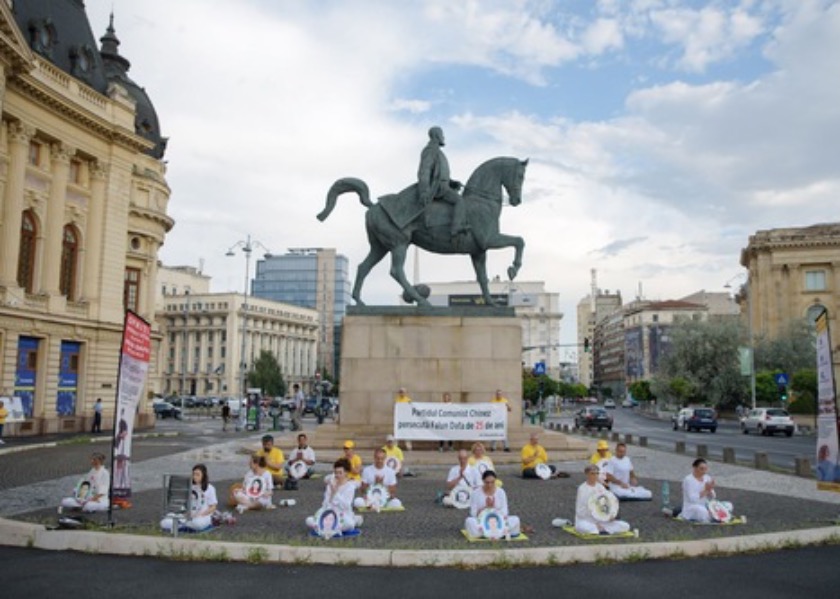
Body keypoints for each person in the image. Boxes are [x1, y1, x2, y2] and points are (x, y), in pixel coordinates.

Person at [418, 126, 468, 237]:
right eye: (442, 135)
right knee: (459, 201)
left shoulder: (437, 152)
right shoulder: (430, 150)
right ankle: (456, 228)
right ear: (436, 136)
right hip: (438, 189)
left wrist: (452, 182)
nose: (443, 137)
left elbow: (440, 175)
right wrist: (424, 191)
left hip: (444, 186)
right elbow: (424, 171)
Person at [306, 458, 363, 534]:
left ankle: (353, 520)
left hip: (343, 514)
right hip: (329, 514)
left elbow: (346, 505)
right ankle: (335, 525)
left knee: (349, 525)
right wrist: (332, 494)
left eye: (340, 473)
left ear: (346, 473)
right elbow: (325, 504)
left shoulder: (350, 486)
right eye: (336, 473)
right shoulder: (331, 485)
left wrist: (336, 493)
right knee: (309, 520)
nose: (337, 475)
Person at [574, 464, 630, 535]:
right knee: (588, 528)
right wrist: (595, 522)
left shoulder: (600, 487)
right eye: (592, 474)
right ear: (587, 474)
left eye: (597, 473)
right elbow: (580, 511)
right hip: (586, 520)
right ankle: (598, 529)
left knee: (625, 526)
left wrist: (610, 515)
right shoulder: (582, 488)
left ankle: (602, 530)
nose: (595, 476)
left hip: (601, 520)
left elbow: (607, 503)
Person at [161, 464, 218, 532]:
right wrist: (184, 513)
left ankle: (180, 526)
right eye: (194, 474)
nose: (195, 477)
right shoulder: (189, 486)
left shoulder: (210, 488)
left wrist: (200, 514)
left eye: (197, 475)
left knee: (197, 524)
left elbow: (213, 507)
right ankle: (182, 525)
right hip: (186, 515)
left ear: (203, 475)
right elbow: (182, 503)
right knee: (164, 523)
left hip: (201, 516)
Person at [464, 470, 521, 538]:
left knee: (515, 519)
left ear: (495, 481)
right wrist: (486, 507)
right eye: (487, 482)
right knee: (469, 521)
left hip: (498, 521)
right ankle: (498, 533)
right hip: (481, 522)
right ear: (483, 481)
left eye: (492, 482)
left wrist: (493, 508)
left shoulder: (501, 492)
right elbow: (473, 513)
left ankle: (489, 533)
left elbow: (505, 511)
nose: (490, 485)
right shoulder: (475, 493)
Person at [677, 458, 733, 523]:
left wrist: (710, 490)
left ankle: (714, 516)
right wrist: (706, 491)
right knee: (702, 511)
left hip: (707, 505)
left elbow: (713, 497)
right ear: (694, 468)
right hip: (692, 507)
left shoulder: (707, 478)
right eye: (701, 469)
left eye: (705, 469)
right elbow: (692, 499)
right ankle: (713, 517)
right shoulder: (688, 480)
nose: (704, 471)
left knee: (729, 505)